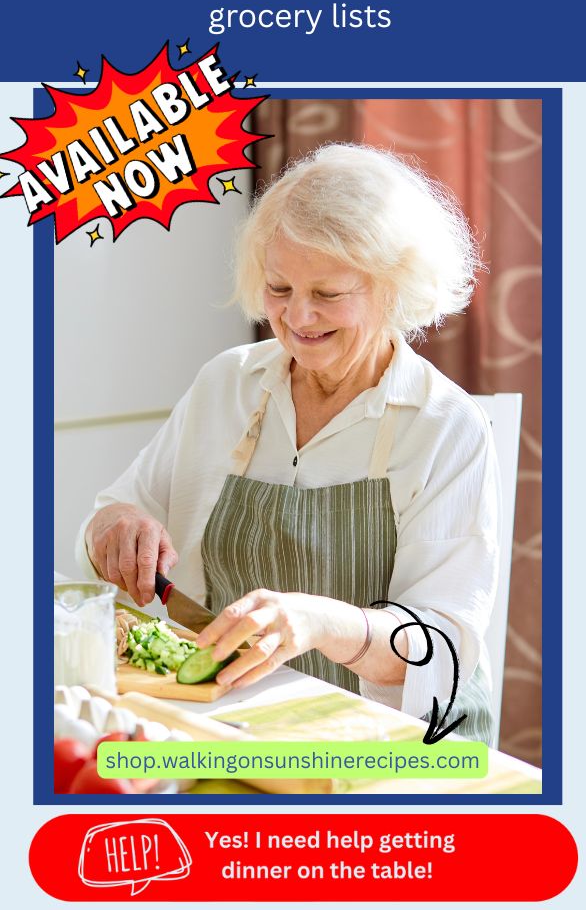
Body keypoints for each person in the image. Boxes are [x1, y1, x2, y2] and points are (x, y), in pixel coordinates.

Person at [76, 144, 500, 740]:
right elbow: (110, 518)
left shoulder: (444, 424)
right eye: (279, 287)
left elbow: (441, 647)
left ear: (393, 286)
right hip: (238, 716)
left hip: (392, 740)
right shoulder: (227, 383)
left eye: (327, 294)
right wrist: (114, 529)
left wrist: (320, 622)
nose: (298, 317)